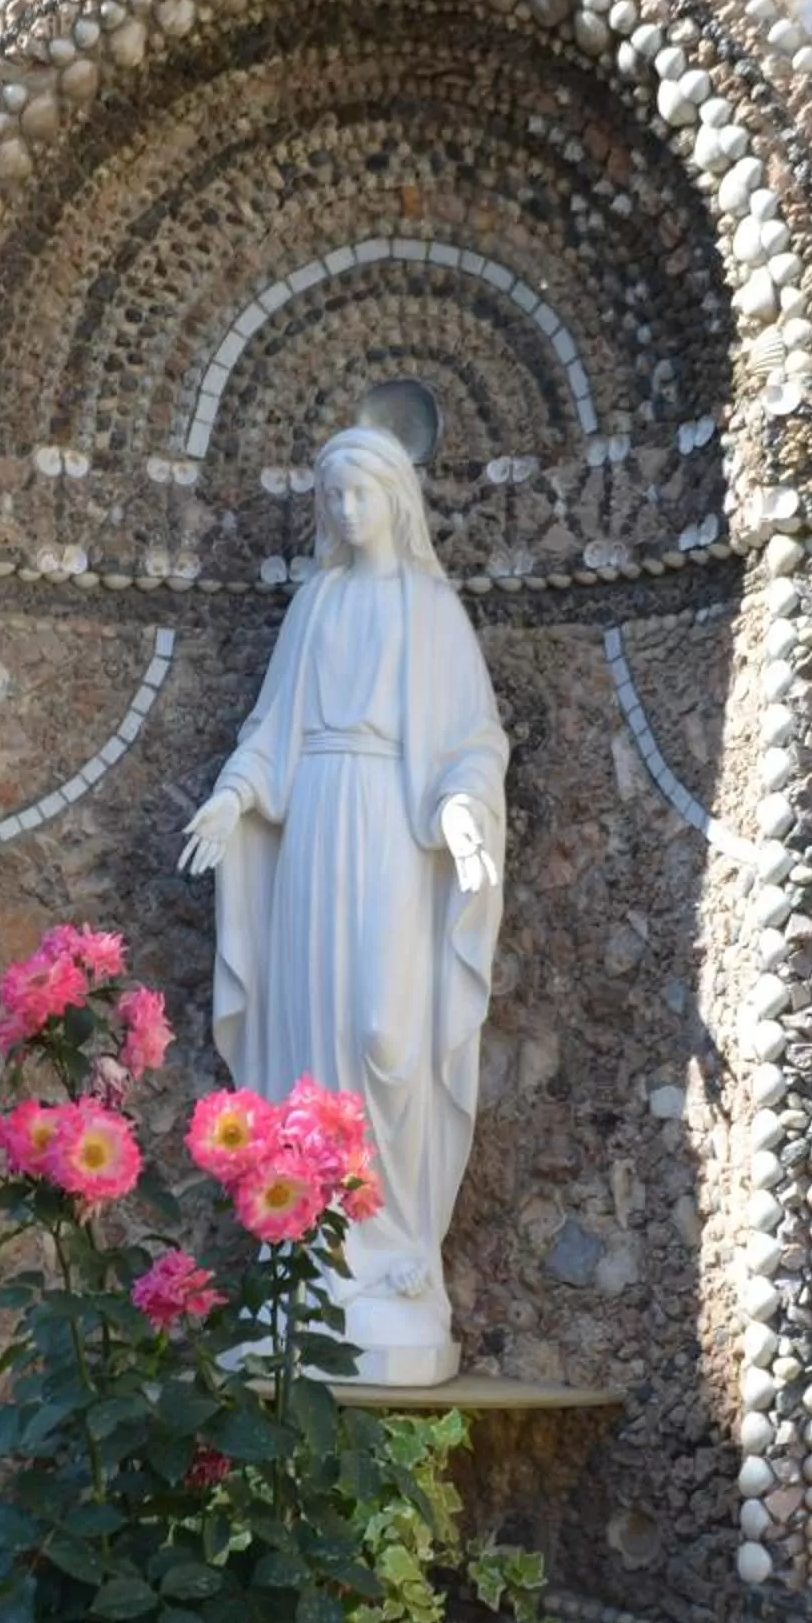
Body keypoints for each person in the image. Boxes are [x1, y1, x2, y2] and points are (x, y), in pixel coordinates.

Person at [180, 424, 509, 1382]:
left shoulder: (431, 610)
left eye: (361, 493)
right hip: (314, 828)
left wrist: (461, 812)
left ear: (396, 499)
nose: (347, 511)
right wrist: (235, 796)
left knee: (385, 1033)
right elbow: (272, 731)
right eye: (334, 498)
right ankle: (312, 1259)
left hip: (392, 835)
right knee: (310, 1038)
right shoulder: (316, 606)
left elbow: (472, 739)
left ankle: (396, 1250)